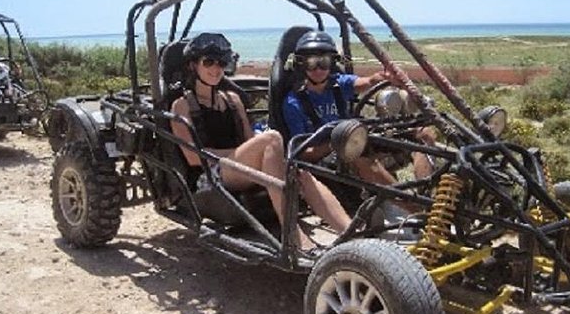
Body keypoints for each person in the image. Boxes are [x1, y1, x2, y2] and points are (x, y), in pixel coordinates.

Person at [170, 33, 351, 252]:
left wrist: (261, 150)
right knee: (273, 138)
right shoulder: (182, 106)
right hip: (210, 174)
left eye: (221, 62)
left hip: (239, 166)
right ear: (193, 66)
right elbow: (192, 157)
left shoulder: (232, 99)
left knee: (298, 172)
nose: (216, 69)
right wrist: (242, 152)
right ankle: (291, 233)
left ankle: (349, 232)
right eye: (208, 62)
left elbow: (249, 140)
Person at [282, 30, 435, 188]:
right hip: (328, 159)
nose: (318, 69)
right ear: (302, 65)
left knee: (423, 133)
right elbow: (302, 153)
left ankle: (426, 192)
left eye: (324, 62)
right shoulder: (294, 103)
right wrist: (336, 144)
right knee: (358, 155)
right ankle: (414, 207)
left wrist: (383, 77)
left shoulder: (338, 84)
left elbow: (366, 82)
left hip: (356, 140)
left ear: (332, 63)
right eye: (311, 63)